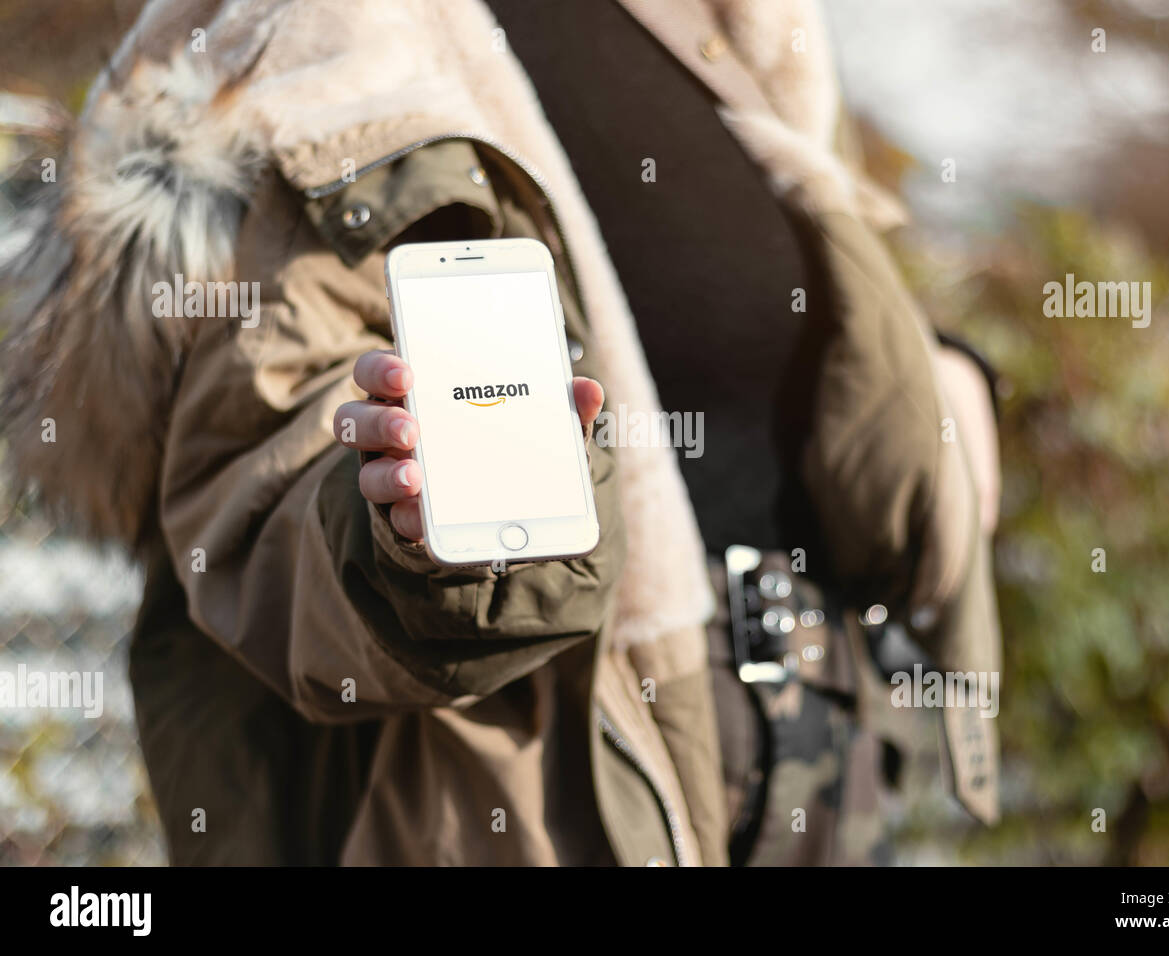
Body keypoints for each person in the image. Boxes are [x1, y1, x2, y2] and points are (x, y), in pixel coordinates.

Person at [0, 0, 1001, 865]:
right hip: (557, 792)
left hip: (823, 742)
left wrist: (947, 377)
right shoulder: (309, 49)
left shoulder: (706, 28)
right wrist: (405, 540)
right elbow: (256, 486)